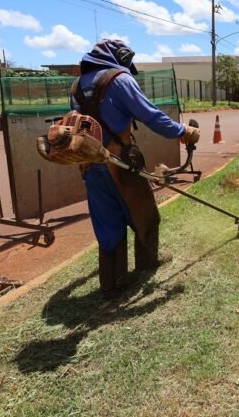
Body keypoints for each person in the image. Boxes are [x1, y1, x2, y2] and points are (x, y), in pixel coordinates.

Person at [71, 39, 198, 298]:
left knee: (107, 222)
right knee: (146, 214)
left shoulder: (77, 85)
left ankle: (112, 282)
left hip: (90, 164)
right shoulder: (119, 80)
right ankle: (147, 264)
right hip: (121, 162)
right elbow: (150, 115)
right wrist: (182, 130)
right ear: (121, 58)